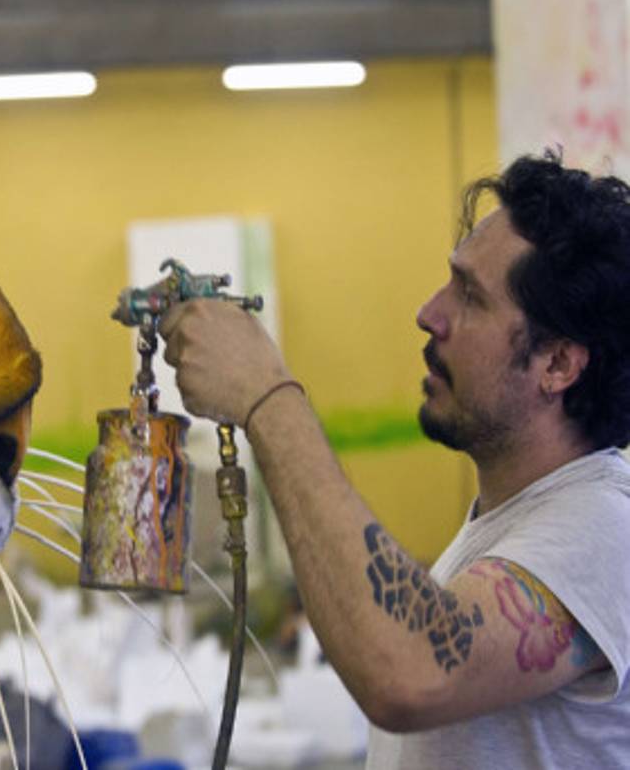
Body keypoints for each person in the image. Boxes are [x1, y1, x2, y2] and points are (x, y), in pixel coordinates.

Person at [159, 154, 630, 767]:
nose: (429, 313)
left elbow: (411, 672)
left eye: (470, 296)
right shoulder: (509, 530)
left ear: (558, 364)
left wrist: (267, 397)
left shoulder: (604, 529)